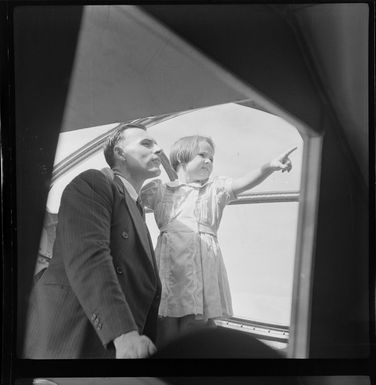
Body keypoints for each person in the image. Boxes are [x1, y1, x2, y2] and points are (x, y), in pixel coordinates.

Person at [22, 123, 163, 359]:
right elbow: (89, 256)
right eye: (146, 143)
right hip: (68, 343)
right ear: (120, 153)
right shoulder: (94, 183)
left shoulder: (138, 211)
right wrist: (124, 334)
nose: (158, 149)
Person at [140, 135, 296, 346]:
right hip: (169, 263)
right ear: (182, 159)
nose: (209, 161)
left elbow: (243, 182)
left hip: (201, 265)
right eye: (202, 155)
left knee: (195, 323)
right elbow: (131, 203)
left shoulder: (214, 189)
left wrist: (270, 166)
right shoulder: (159, 190)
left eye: (212, 158)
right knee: (164, 321)